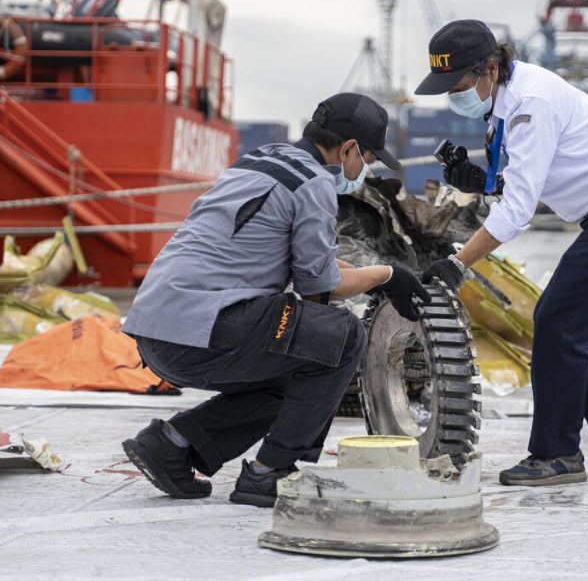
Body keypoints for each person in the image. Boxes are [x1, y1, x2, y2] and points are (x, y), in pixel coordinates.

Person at [121, 92, 430, 507]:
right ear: (349, 149)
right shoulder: (314, 182)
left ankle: (172, 444)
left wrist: (373, 276)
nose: (364, 170)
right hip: (201, 329)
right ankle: (271, 473)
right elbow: (320, 285)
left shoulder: (260, 161)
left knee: (300, 367)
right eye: (368, 159)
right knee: (341, 338)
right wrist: (390, 276)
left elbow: (308, 258)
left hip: (156, 330)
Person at [416, 20, 588, 486]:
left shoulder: (529, 103)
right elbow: (520, 180)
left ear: (489, 69)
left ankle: (556, 455)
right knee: (568, 320)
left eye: (457, 86)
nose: (453, 96)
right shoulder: (505, 101)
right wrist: (479, 182)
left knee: (559, 321)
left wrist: (459, 262)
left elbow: (517, 212)